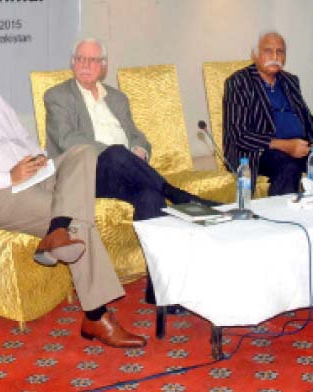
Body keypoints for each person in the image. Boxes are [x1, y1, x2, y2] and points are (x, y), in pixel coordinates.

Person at [0, 34, 146, 349]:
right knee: (79, 218)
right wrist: (7, 176)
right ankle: (96, 314)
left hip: (34, 176)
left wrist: (43, 165)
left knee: (82, 154)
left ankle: (57, 230)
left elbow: (27, 142)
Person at [45, 37, 212, 307]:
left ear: (104, 66)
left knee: (150, 197)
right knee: (115, 152)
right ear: (72, 62)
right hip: (85, 175)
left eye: (93, 60)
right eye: (80, 59)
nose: (85, 64)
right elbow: (67, 140)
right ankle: (176, 193)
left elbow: (137, 136)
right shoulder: (58, 96)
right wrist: (118, 151)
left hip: (125, 171)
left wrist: (140, 151)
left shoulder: (118, 98)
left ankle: (159, 287)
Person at [223, 30, 313, 195]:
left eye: (280, 51)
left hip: (300, 146)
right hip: (259, 151)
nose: (275, 56)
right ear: (254, 54)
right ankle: (282, 217)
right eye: (268, 51)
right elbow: (238, 135)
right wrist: (285, 146)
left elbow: (307, 117)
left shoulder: (289, 80)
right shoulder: (239, 82)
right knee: (288, 168)